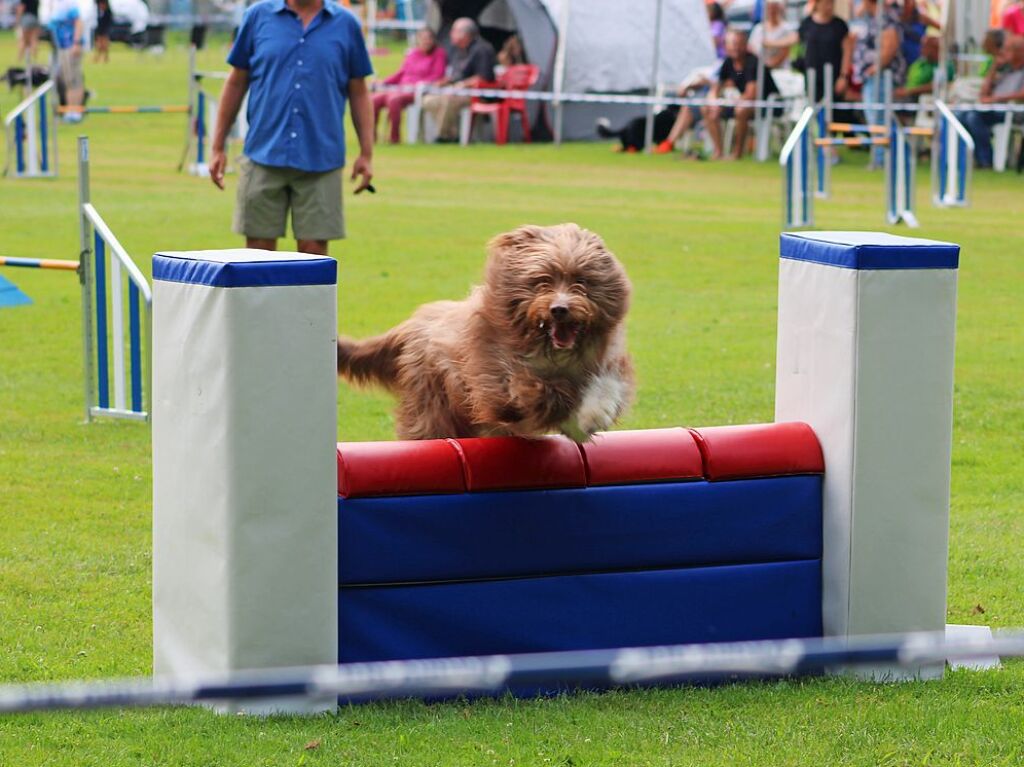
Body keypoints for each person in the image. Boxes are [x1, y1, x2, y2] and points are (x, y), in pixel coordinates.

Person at [208, 0, 375, 256]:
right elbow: (236, 82)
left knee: (313, 255)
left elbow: (359, 91)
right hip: (263, 153)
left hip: (321, 158)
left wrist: (366, 153)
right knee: (258, 255)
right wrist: (218, 146)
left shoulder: (346, 24)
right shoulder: (257, 17)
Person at [701, 28, 777, 159]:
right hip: (739, 103)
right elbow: (716, 87)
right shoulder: (728, 62)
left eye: (737, 43)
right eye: (731, 44)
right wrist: (714, 101)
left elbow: (751, 94)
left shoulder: (753, 62)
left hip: (765, 105)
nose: (734, 48)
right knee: (707, 108)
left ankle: (737, 153)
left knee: (741, 110)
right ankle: (718, 151)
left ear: (745, 45)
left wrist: (729, 101)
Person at [421, 18, 495, 142]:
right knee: (429, 100)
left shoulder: (482, 50)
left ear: (465, 34)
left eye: (454, 31)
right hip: (456, 91)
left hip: (476, 93)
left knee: (449, 99)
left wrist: (462, 85)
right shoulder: (458, 50)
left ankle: (444, 136)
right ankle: (453, 132)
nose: (451, 34)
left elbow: (483, 77)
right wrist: (444, 82)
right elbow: (456, 74)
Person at [956, 36, 1024, 168]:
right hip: (992, 109)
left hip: (1013, 112)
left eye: (1007, 49)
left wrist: (996, 99)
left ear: (1020, 51)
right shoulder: (1005, 69)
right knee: (960, 116)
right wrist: (994, 67)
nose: (1002, 52)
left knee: (973, 117)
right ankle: (970, 158)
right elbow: (984, 92)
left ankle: (986, 160)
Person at [852, 0, 905, 163]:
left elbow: (891, 46)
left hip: (881, 75)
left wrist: (874, 68)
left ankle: (883, 159)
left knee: (879, 118)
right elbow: (857, 12)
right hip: (870, 75)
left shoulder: (887, 18)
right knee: (873, 117)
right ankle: (880, 156)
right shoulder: (869, 17)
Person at [373, 27, 446, 144]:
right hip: (401, 87)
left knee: (393, 100)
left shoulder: (438, 54)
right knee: (374, 99)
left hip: (416, 91)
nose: (426, 41)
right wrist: (384, 82)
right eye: (423, 38)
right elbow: (401, 73)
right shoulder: (413, 53)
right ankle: (371, 137)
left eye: (428, 39)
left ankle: (394, 137)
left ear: (433, 40)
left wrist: (420, 84)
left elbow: (437, 75)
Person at [799, 0, 853, 102]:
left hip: (834, 76)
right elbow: (795, 39)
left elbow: (847, 52)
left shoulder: (839, 25)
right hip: (812, 75)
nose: (829, 6)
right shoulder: (807, 23)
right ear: (818, 4)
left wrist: (844, 76)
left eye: (831, 3)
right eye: (826, 3)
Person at [48, 0, 86, 123]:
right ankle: (70, 110)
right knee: (66, 80)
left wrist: (76, 43)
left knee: (73, 80)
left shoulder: (69, 4)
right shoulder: (56, 5)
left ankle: (74, 111)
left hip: (70, 46)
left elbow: (79, 23)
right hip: (62, 47)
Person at [750, 0, 797, 71]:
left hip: (780, 70)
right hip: (760, 70)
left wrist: (769, 44)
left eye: (774, 8)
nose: (771, 11)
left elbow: (787, 48)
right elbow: (751, 47)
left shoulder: (786, 28)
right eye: (769, 8)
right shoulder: (759, 28)